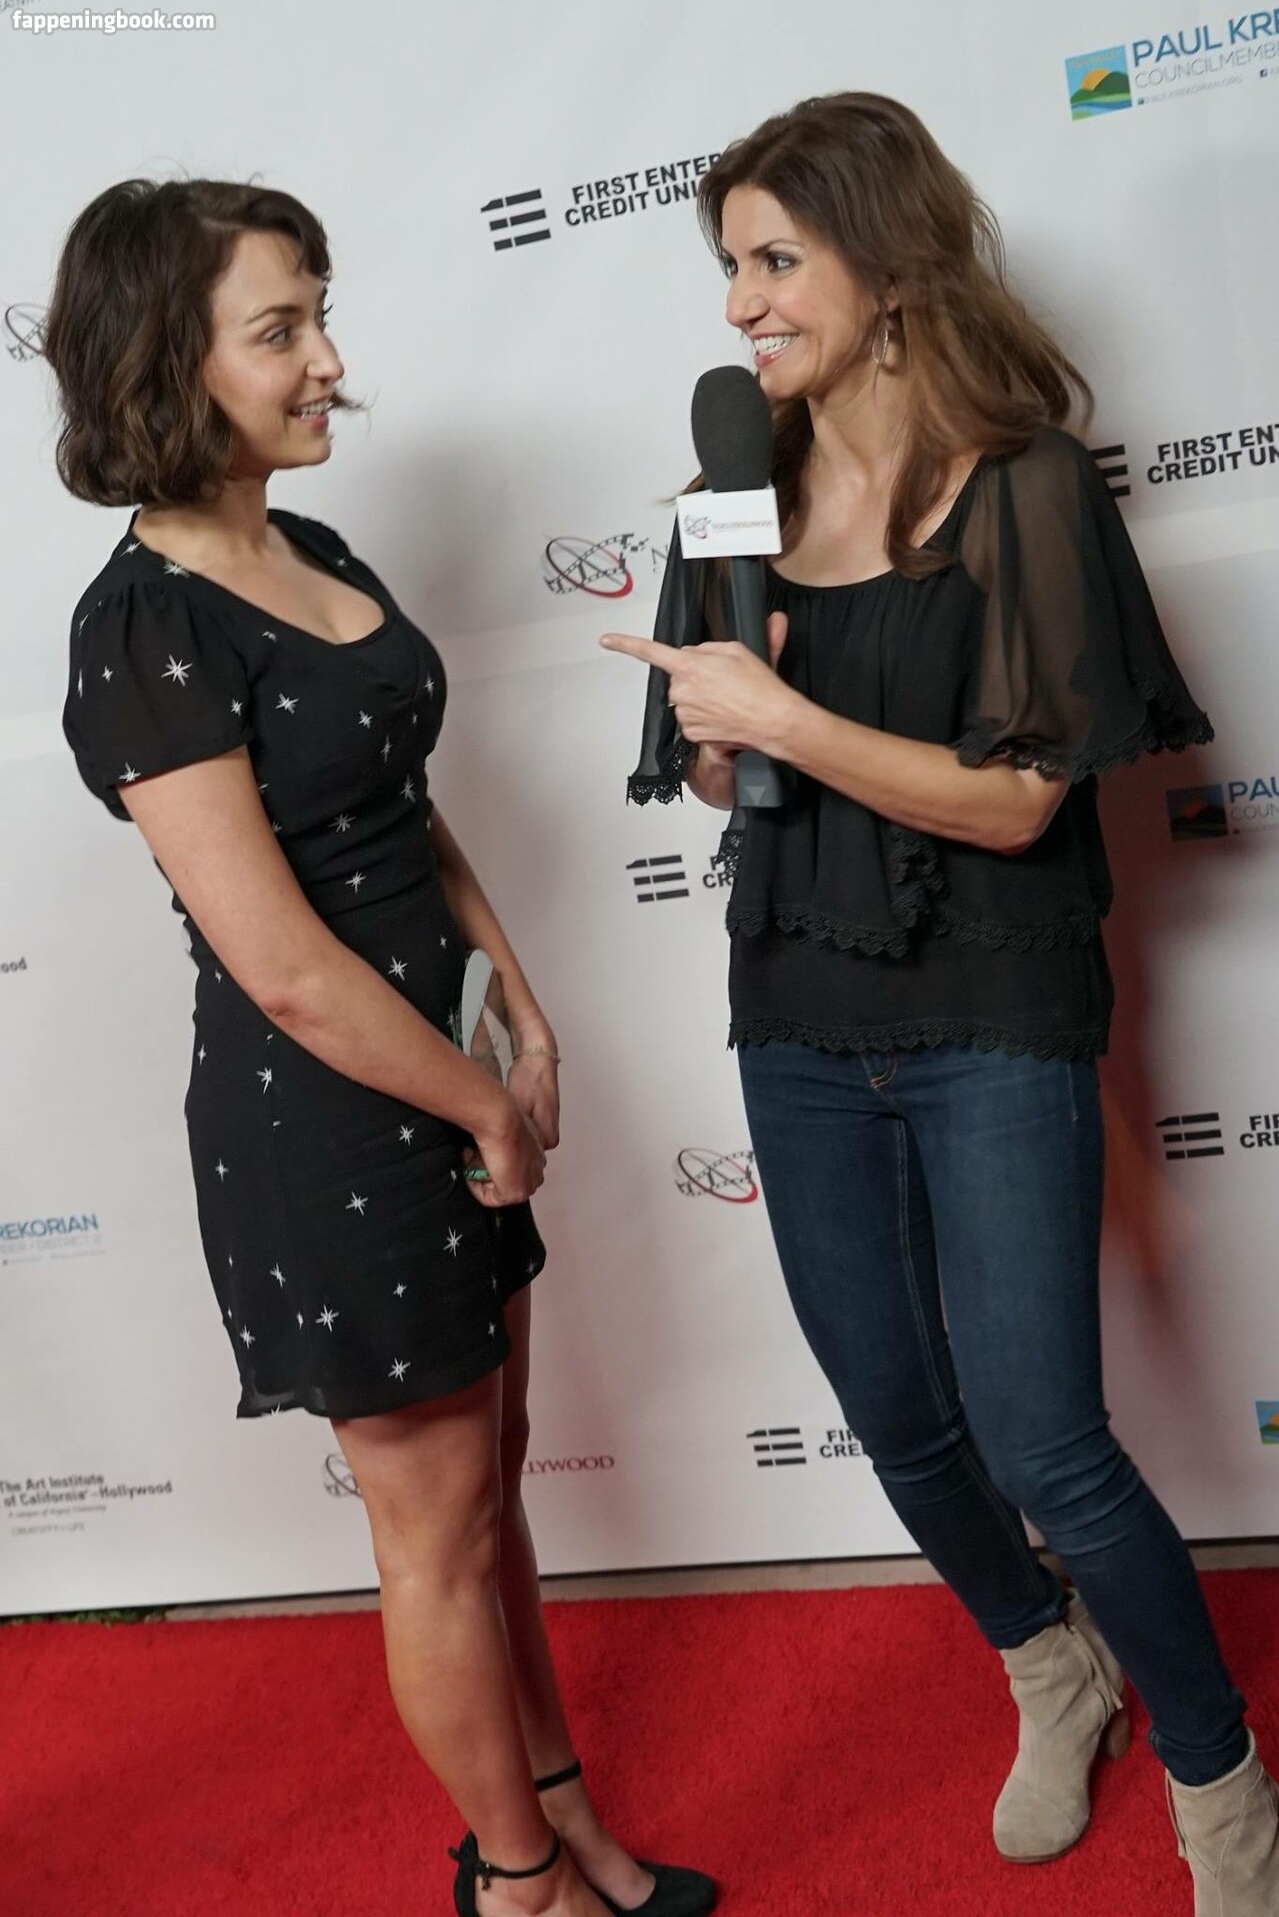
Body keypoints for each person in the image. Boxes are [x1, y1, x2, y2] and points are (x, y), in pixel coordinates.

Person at [603, 92, 1279, 1910]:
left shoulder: (1024, 484)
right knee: (897, 1414)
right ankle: (1050, 1668)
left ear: (888, 266)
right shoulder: (729, 487)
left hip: (993, 1010)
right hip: (795, 1013)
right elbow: (718, 779)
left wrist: (788, 715)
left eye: (775, 259)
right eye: (727, 265)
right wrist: (719, 726)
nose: (740, 304)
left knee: (1045, 1435)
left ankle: (1220, 1778)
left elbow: (1020, 803)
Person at [51, 177, 714, 1917]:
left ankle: (561, 1811)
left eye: (321, 316)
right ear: (164, 361)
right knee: (430, 1528)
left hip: (446, 1073)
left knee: (491, 1489)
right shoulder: (144, 625)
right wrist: (485, 1101)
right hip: (327, 1122)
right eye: (281, 331)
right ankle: (515, 1882)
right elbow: (280, 967)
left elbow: (402, 820)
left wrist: (524, 1005)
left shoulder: (316, 550)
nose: (332, 362)